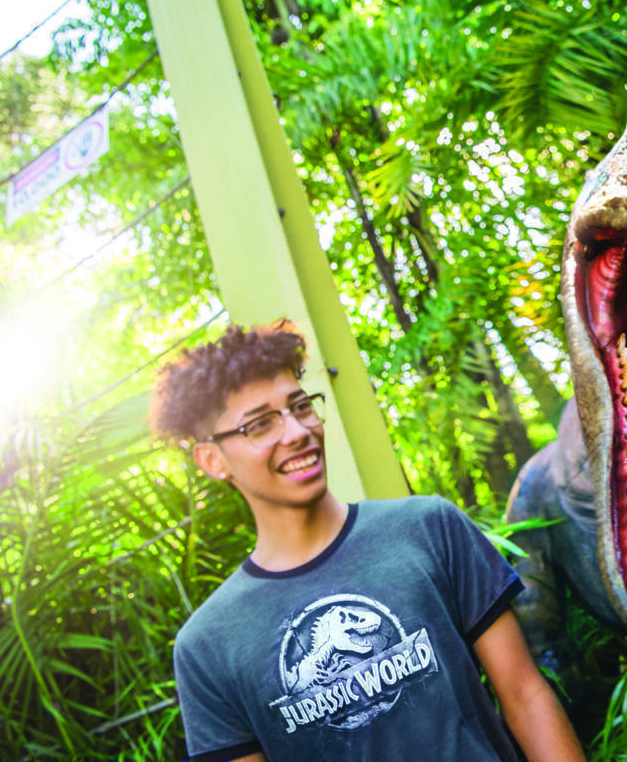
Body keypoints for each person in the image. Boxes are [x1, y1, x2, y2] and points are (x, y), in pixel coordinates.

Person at [150, 320, 584, 762]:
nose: (297, 431)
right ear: (211, 459)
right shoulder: (207, 646)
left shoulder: (429, 527)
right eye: (260, 424)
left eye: (301, 406)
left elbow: (526, 697)